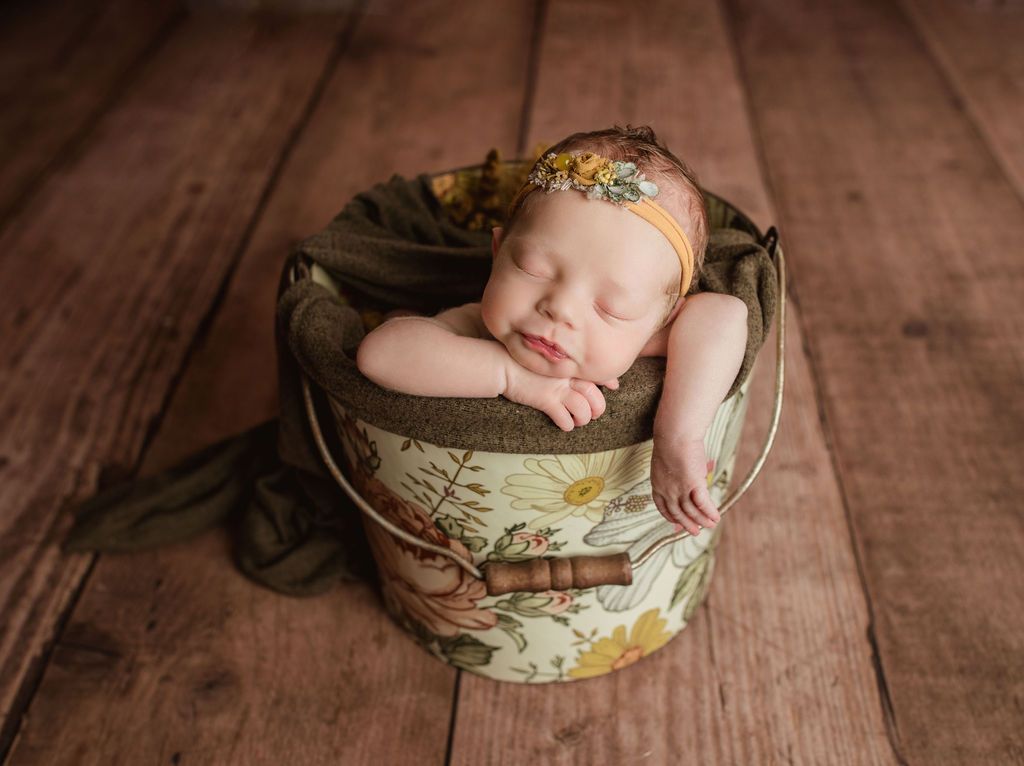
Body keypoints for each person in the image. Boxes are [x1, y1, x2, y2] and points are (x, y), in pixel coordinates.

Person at [356, 125, 748, 537]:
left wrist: (679, 437)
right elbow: (380, 354)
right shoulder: (475, 328)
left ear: (662, 321)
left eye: (610, 307)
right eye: (532, 269)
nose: (559, 308)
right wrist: (510, 374)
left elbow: (724, 314)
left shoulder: (635, 340)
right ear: (497, 252)